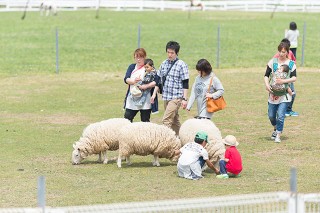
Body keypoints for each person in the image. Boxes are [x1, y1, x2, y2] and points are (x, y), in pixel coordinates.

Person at [264, 42, 297, 143]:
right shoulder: (273, 62)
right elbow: (266, 75)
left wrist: (283, 81)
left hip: (285, 95)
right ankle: (275, 127)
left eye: (283, 52)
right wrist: (267, 84)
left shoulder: (291, 64)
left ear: (287, 52)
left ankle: (278, 134)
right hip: (273, 93)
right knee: (271, 115)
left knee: (281, 115)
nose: (281, 54)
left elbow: (294, 78)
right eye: (280, 51)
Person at [157, 41, 189, 135]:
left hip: (176, 97)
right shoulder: (164, 63)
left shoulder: (181, 64)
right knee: (174, 120)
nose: (169, 55)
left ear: (177, 53)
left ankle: (163, 141)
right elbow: (158, 77)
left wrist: (184, 99)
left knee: (166, 120)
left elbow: (185, 82)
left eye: (172, 53)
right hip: (166, 96)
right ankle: (182, 137)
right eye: (168, 52)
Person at [123, 48, 156, 122]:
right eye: (136, 57)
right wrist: (134, 81)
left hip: (145, 98)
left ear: (144, 57)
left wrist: (146, 86)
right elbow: (126, 79)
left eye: (140, 57)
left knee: (145, 120)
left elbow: (156, 81)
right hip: (133, 96)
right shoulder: (132, 67)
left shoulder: (149, 67)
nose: (138, 59)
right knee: (127, 118)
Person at [273, 38, 299, 117]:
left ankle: (284, 110)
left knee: (288, 93)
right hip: (282, 79)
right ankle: (286, 110)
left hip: (288, 78)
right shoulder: (278, 55)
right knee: (286, 93)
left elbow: (294, 62)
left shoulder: (290, 53)